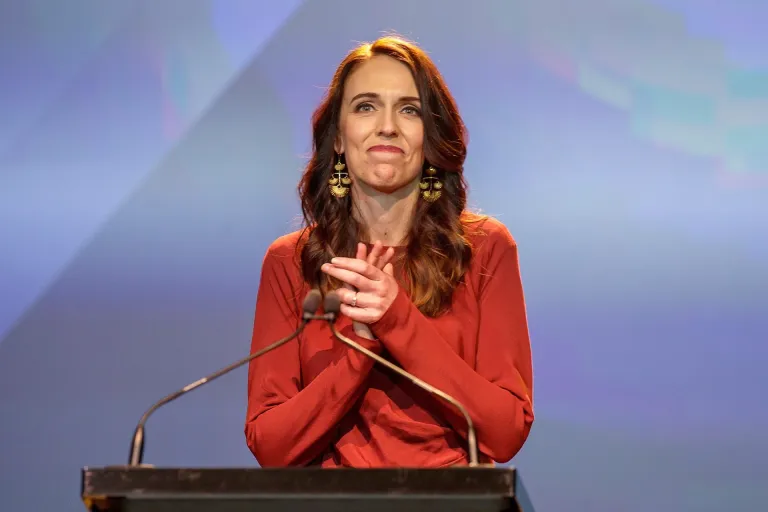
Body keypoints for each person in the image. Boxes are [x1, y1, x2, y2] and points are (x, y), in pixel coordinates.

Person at [244, 35, 534, 468]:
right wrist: (360, 349)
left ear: (430, 137)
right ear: (337, 138)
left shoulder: (485, 248)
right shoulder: (290, 261)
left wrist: (396, 320)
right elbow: (270, 446)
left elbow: (505, 431)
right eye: (365, 106)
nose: (387, 126)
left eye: (409, 110)